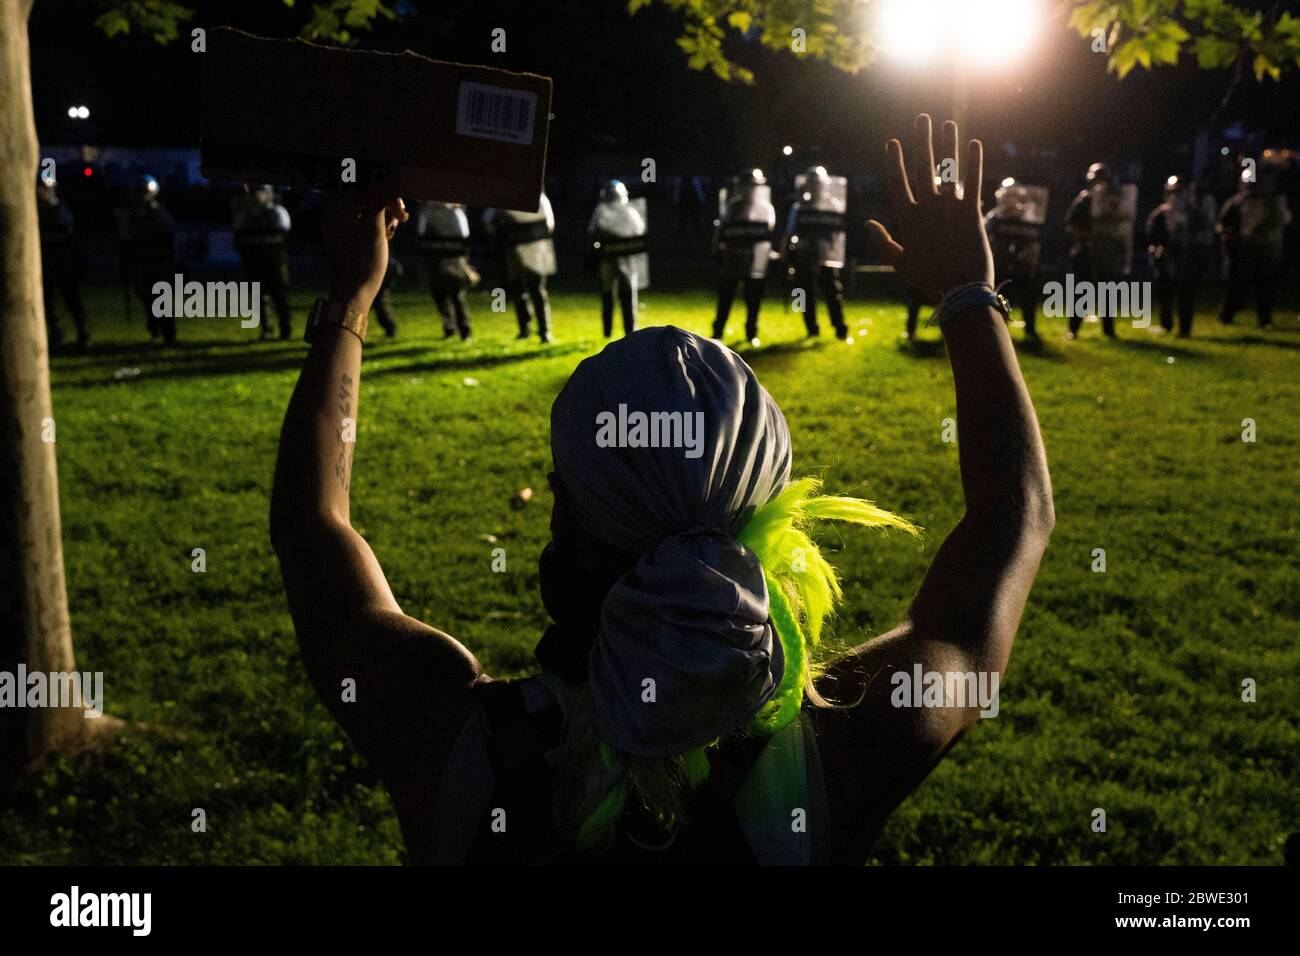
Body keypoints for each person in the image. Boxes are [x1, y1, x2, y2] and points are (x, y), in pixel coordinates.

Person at [270, 114, 1053, 864]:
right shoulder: (847, 746)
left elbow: (313, 528)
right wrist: (969, 295)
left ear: (563, 508)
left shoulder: (443, 732)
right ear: (767, 513)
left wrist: (351, 300)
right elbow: (1013, 525)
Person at [1064, 162, 1135, 339]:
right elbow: (1071, 225)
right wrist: (1085, 240)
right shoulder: (1085, 199)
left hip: (1107, 251)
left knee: (1108, 291)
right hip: (1086, 251)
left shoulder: (1114, 202)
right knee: (1082, 292)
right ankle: (1074, 329)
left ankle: (1109, 330)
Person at [1217, 166, 1292, 331]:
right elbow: (1224, 224)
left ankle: (1264, 319)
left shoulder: (1274, 201)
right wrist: (1229, 239)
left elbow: (1283, 221)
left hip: (1266, 251)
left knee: (1265, 287)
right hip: (1243, 252)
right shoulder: (1237, 202)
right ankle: (1227, 314)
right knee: (1236, 286)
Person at [782, 165, 851, 341]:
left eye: (817, 183)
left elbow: (839, 235)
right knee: (804, 295)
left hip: (827, 258)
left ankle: (840, 329)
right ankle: (811, 329)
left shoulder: (833, 205)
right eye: (811, 183)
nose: (814, 187)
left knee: (833, 293)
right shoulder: (798, 208)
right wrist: (785, 257)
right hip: (804, 258)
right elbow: (790, 234)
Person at [711, 169, 776, 346]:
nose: (751, 190)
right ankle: (718, 331)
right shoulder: (732, 207)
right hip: (732, 260)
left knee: (753, 298)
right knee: (726, 298)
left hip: (755, 261)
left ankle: (751, 332)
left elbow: (767, 233)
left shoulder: (765, 209)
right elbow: (721, 231)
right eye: (748, 186)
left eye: (754, 186)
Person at [1145, 175, 1216, 338]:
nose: (1176, 197)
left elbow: (1203, 236)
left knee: (1186, 295)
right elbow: (1151, 236)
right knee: (1165, 294)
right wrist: (1157, 250)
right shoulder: (1161, 214)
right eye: (1173, 193)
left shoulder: (1196, 215)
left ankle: (1185, 329)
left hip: (1187, 259)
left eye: (1180, 192)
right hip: (1167, 258)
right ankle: (1166, 324)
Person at [483, 193, 557, 344]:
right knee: (519, 291)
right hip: (514, 251)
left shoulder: (539, 199)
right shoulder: (504, 200)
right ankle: (525, 329)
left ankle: (544, 331)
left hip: (535, 251)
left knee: (537, 290)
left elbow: (548, 225)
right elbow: (488, 222)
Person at [116, 174, 177, 344]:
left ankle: (168, 333)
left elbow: (167, 236)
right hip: (141, 262)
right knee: (146, 298)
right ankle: (154, 329)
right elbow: (127, 238)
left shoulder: (159, 213)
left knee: (161, 300)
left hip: (158, 262)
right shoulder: (130, 214)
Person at [985, 178, 1047, 340]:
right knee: (999, 298)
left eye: (1015, 196)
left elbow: (1035, 240)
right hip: (1001, 265)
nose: (1011, 200)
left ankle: (1030, 328)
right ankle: (998, 328)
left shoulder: (1028, 218)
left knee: (1028, 297)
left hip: (1022, 266)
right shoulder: (995, 217)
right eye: (1008, 196)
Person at [587, 180, 648, 338]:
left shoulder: (625, 211)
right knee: (614, 296)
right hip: (612, 259)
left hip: (621, 259)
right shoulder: (603, 211)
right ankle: (617, 332)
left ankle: (625, 331)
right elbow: (594, 231)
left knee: (621, 296)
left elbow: (638, 232)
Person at [36, 171, 90, 349]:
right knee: (47, 301)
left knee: (71, 299)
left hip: (63, 262)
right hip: (45, 262)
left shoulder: (59, 208)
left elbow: (65, 233)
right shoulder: (37, 209)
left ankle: (83, 331)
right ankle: (56, 332)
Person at [233, 184, 294, 340]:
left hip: (274, 264)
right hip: (253, 265)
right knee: (258, 300)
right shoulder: (244, 215)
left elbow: (283, 238)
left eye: (259, 192)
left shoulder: (277, 212)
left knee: (280, 299)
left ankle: (285, 331)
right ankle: (266, 330)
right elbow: (239, 240)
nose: (255, 196)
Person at [416, 201, 477, 340]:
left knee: (456, 294)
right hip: (434, 259)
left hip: (452, 260)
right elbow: (421, 233)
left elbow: (463, 239)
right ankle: (449, 327)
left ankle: (464, 330)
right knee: (439, 295)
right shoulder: (427, 210)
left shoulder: (454, 212)